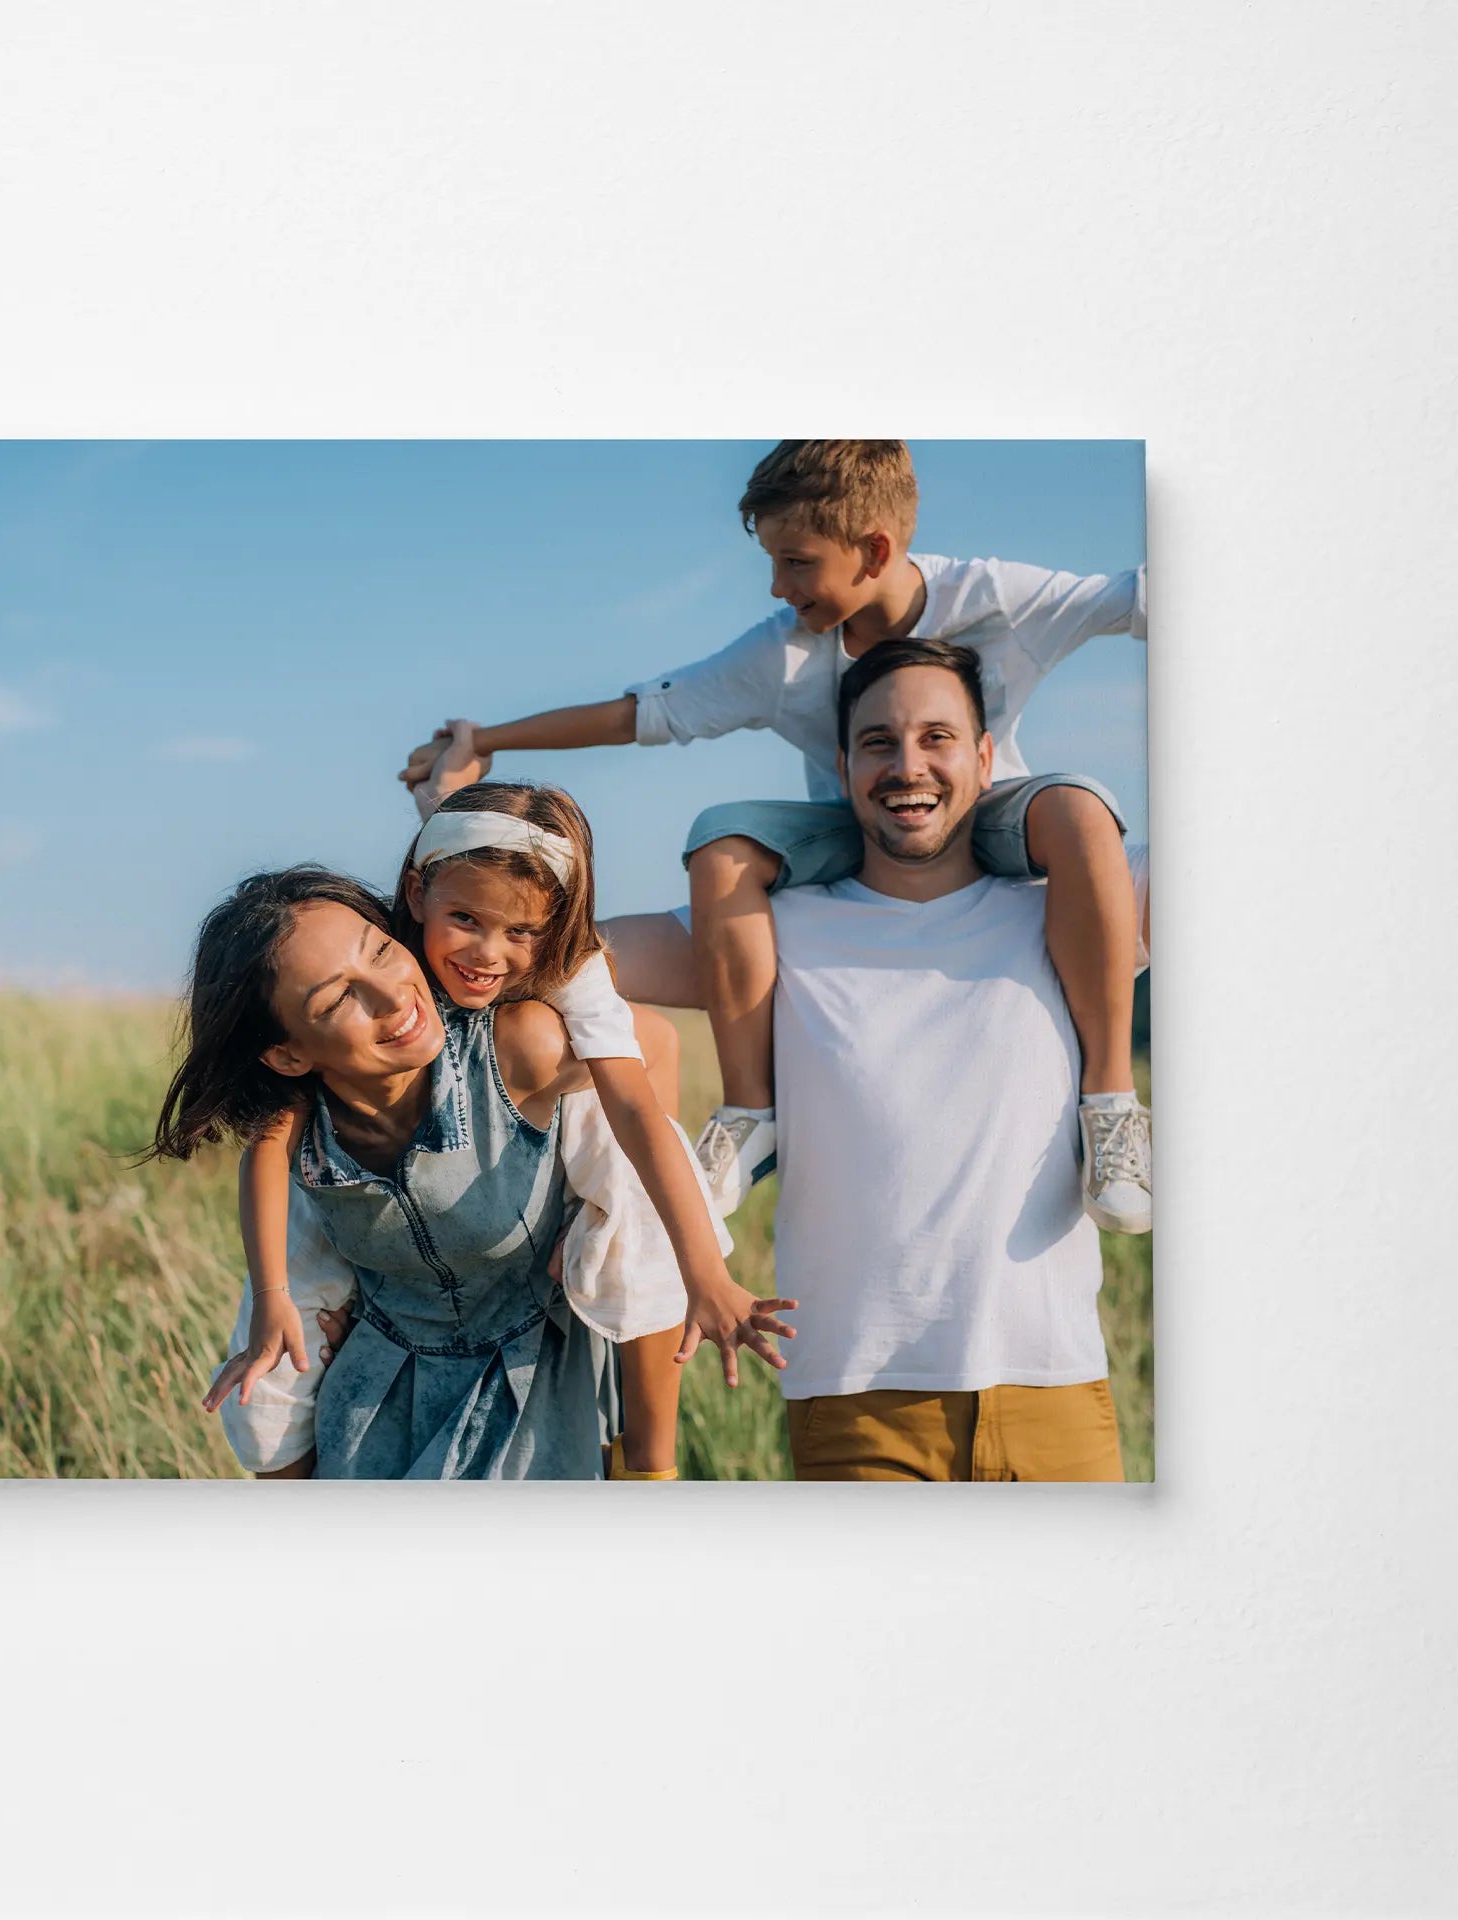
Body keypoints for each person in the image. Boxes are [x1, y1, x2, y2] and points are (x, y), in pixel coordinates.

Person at [397, 440, 1150, 1234]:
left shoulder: (997, 597)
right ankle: (752, 1110)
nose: (778, 587)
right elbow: (643, 714)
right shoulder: (784, 653)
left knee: (1078, 811)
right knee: (722, 843)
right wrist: (490, 738)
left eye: (796, 563)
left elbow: (1135, 598)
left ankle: (1110, 1101)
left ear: (877, 550)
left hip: (991, 817)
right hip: (846, 833)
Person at [149, 866, 792, 1480]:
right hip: (377, 1400)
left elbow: (655, 1046)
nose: (391, 994)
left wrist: (605, 1208)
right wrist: (276, 1302)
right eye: (340, 996)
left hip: (537, 1389)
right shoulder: (302, 1125)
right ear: (288, 1054)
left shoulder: (518, 1050)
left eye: (379, 951)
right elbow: (262, 1168)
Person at [768, 638, 1150, 1481]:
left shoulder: (1072, 909)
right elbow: (569, 950)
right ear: (841, 766)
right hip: (858, 1402)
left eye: (937, 737)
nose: (908, 766)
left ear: (986, 760)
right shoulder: (779, 927)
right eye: (879, 743)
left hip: (1054, 1388)